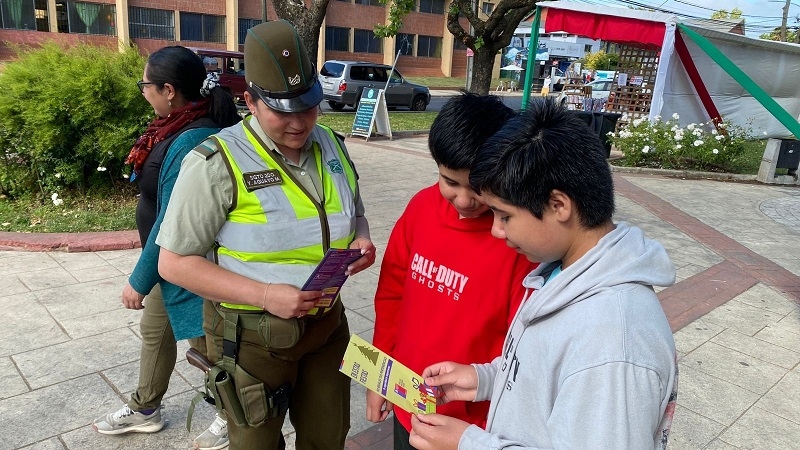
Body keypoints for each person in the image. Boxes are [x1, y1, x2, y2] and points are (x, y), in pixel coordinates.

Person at [409, 98, 679, 450]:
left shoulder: (613, 345)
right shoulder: (561, 274)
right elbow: (546, 377)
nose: (496, 231)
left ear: (558, 205)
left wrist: (469, 445)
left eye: (504, 216)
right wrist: (485, 378)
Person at [155, 20, 376, 449]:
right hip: (251, 339)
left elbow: (356, 213)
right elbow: (174, 263)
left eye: (308, 106)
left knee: (328, 438)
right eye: (282, 110)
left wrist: (361, 238)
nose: (299, 123)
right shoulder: (216, 161)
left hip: (327, 327)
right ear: (250, 102)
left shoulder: (332, 144)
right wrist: (265, 295)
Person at [366, 93, 537, 450]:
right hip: (409, 400)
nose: (463, 201)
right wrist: (380, 375)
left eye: (477, 188)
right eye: (450, 182)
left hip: (476, 425)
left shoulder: (519, 241)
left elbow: (527, 346)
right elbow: (392, 294)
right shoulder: (421, 209)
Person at [92, 46, 241, 450]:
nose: (144, 92)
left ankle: (232, 416)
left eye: (146, 85)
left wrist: (138, 280)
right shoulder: (176, 126)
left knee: (207, 346)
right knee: (155, 330)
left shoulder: (194, 137)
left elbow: (172, 219)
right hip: (169, 262)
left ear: (169, 90)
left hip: (191, 265)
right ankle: (146, 408)